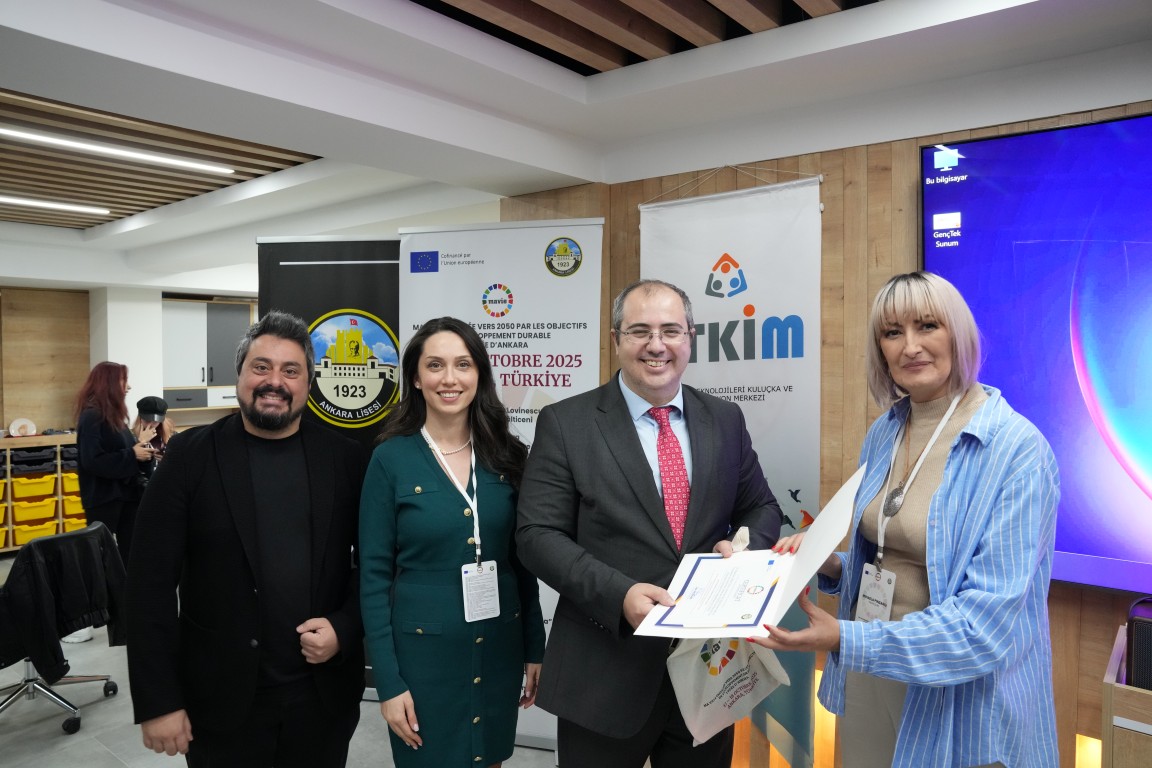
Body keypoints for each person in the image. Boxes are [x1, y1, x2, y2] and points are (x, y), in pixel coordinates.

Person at [750, 271, 1060, 768]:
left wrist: (844, 637)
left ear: (958, 334)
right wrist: (829, 564)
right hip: (872, 669)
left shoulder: (1018, 451)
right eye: (893, 332)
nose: (910, 346)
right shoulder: (885, 432)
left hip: (961, 696)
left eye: (927, 326)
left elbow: (983, 627)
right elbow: (892, 555)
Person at [515, 279, 783, 767]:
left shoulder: (724, 419)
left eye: (670, 331)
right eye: (640, 331)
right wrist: (619, 595)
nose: (656, 345)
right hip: (603, 675)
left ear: (690, 338)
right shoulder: (566, 423)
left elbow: (761, 507)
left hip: (708, 674)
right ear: (616, 339)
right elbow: (537, 536)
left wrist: (742, 549)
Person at [125, 310, 367, 767]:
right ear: (239, 375)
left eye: (290, 370)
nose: (274, 381)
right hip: (220, 702)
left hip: (321, 700)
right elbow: (147, 584)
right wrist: (158, 700)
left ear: (308, 383)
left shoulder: (344, 458)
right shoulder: (188, 458)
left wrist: (346, 625)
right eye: (261, 367)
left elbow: (375, 563)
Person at [359, 316, 545, 767]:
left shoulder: (508, 455)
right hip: (423, 659)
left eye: (463, 364)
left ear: (479, 374)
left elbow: (523, 561)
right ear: (415, 378)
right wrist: (388, 683)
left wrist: (534, 645)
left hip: (498, 646)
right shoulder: (390, 459)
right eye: (435, 365)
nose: (449, 378)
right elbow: (373, 578)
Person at [74, 361, 156, 566]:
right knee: (100, 558)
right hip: (104, 499)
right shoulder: (92, 416)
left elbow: (127, 454)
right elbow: (92, 461)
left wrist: (143, 452)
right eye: (123, 380)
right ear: (108, 383)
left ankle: (126, 586)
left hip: (126, 497)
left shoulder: (115, 417)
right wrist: (132, 454)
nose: (129, 386)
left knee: (130, 554)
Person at [132, 395, 175, 480]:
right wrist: (141, 443)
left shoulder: (173, 437)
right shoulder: (131, 438)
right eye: (147, 420)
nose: (150, 425)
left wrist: (169, 462)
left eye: (155, 421)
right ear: (140, 418)